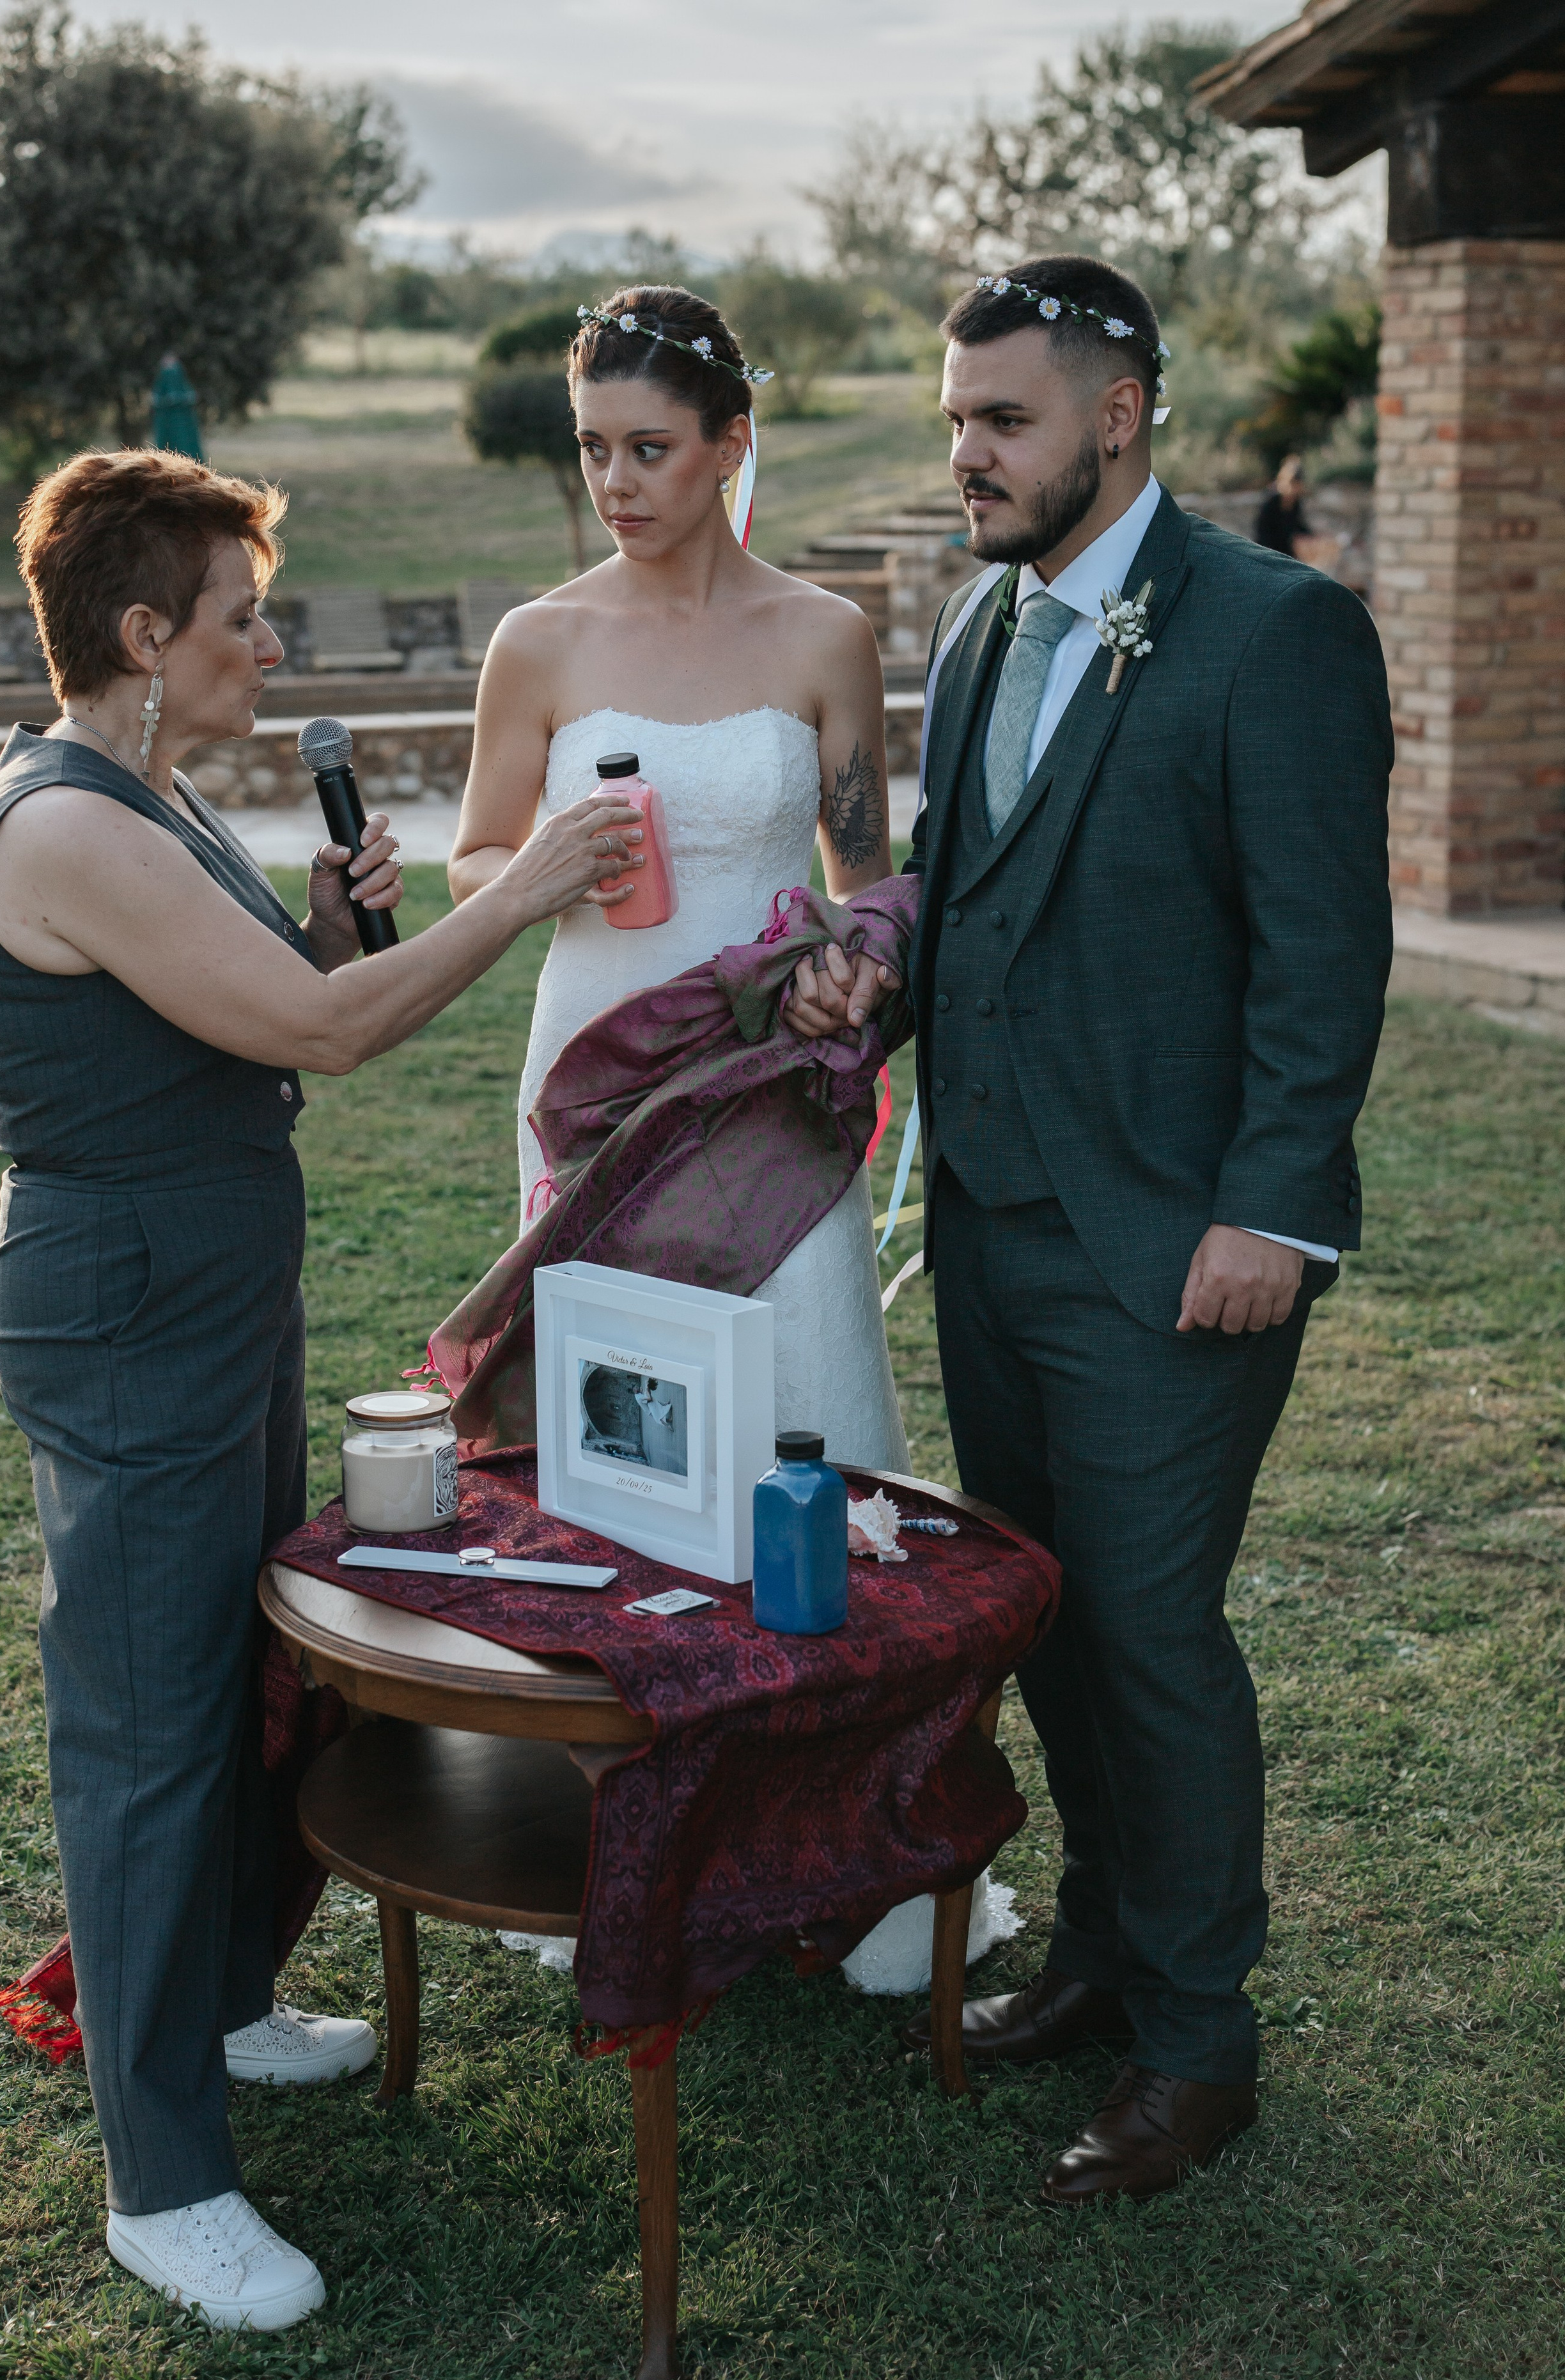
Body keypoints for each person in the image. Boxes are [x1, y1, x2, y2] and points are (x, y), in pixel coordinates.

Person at [0, 449, 634, 2329]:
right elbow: (332, 1040)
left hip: (210, 1283)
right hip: (129, 1306)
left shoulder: (147, 790)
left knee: (248, 1663)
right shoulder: (69, 822)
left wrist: (326, 926)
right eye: (243, 615)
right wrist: (525, 891)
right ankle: (161, 2182)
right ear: (144, 633)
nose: (270, 642)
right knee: (151, 1726)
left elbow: (280, 1001)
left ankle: (233, 1998)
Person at [788, 256, 1393, 2202]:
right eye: (954, 418)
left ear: (1115, 417)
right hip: (992, 1224)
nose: (964, 453)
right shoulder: (976, 627)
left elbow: (1321, 958)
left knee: (1149, 1631)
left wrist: (1271, 1209)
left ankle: (1202, 2041)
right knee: (1046, 1619)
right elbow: (958, 896)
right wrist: (858, 992)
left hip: (1176, 1248)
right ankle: (1101, 1952)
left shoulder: (1271, 633)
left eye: (1002, 419)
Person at [446, 284, 910, 1477]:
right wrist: (547, 872)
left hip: (768, 1064)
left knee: (796, 1362)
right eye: (595, 449)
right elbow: (475, 861)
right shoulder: (536, 643)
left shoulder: (825, 637)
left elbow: (865, 882)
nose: (616, 485)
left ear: (730, 445)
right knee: (629, 1415)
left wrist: (847, 977)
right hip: (597, 1062)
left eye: (650, 450)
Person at [1254, 454, 1315, 557]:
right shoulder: (1271, 502)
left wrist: (1311, 537)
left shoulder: (1296, 503)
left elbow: (1297, 525)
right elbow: (1263, 533)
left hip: (1287, 553)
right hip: (1268, 553)